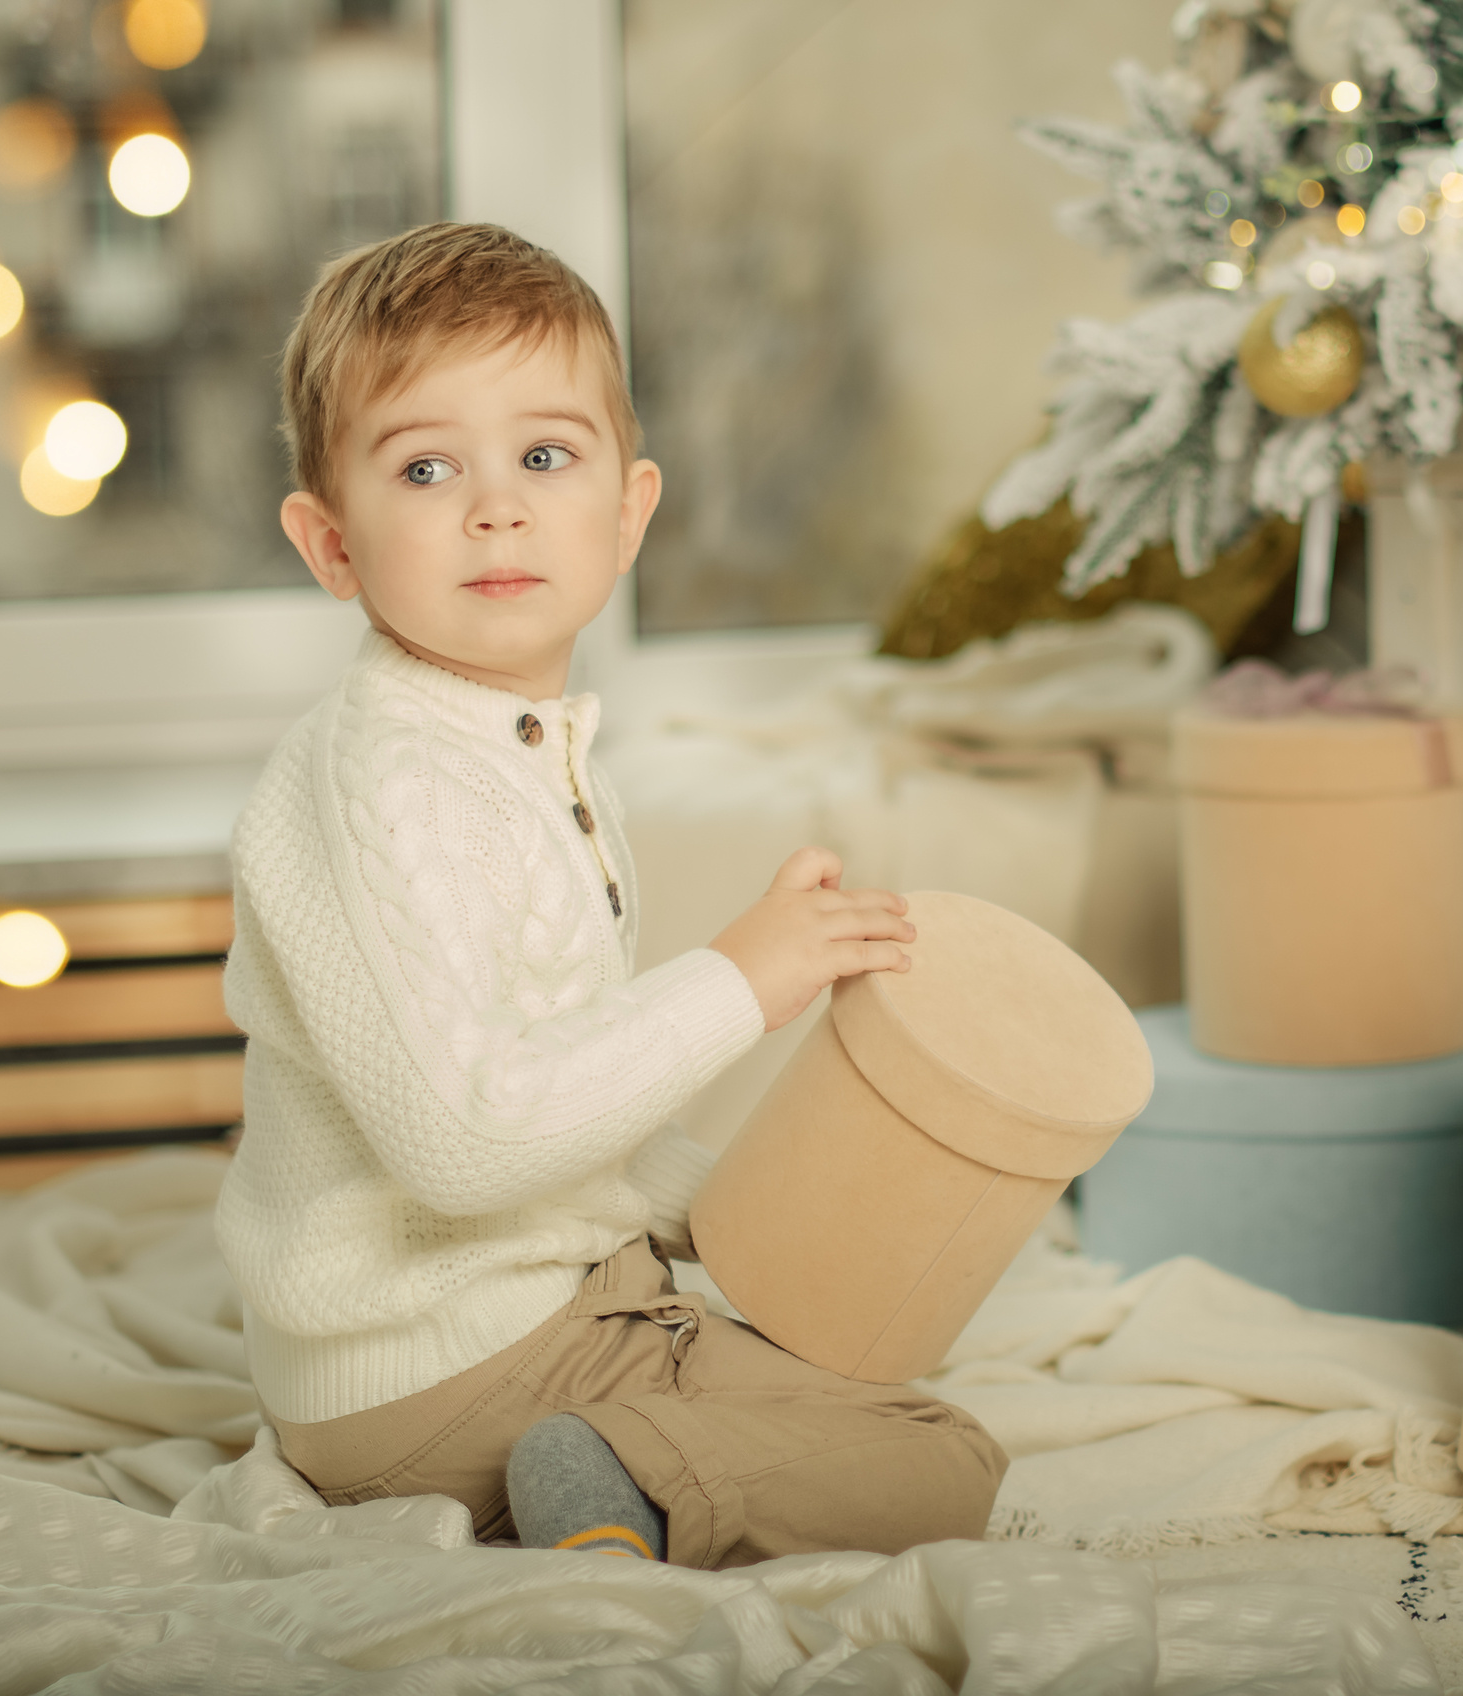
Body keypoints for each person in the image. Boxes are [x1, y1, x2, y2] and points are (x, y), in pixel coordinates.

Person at [214, 221, 1006, 1567]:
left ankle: (608, 1469)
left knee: (845, 1360)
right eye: (424, 467)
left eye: (543, 456)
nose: (495, 506)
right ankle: (615, 1486)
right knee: (944, 1458)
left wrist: (744, 1217)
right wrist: (736, 984)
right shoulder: (389, 775)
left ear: (629, 511)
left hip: (462, 1348)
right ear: (331, 542)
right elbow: (469, 1144)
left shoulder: (526, 751)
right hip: (444, 1368)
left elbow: (568, 1104)